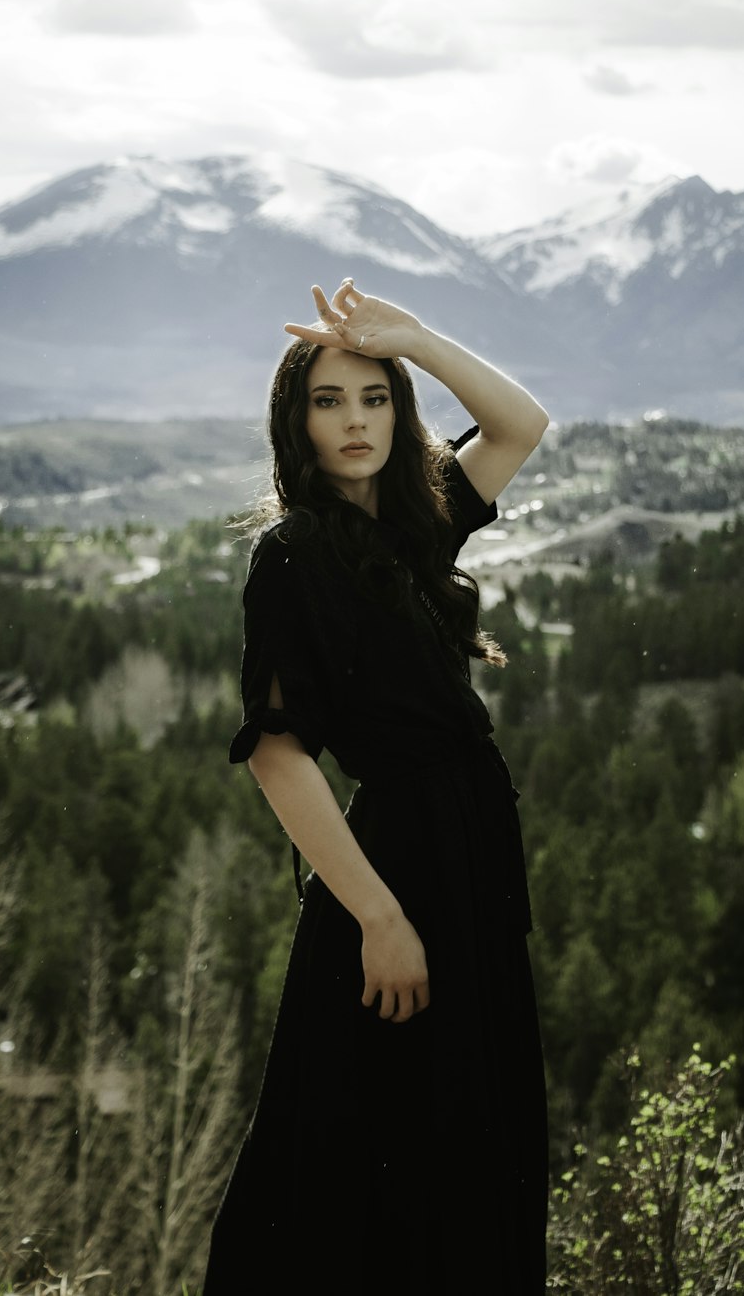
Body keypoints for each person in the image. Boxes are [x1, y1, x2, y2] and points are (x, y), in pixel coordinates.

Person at [202, 279, 549, 1294]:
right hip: (394, 866)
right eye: (327, 401)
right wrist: (379, 918)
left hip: (470, 856)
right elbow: (277, 753)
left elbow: (520, 423)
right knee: (364, 1155)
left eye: (374, 398)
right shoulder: (292, 554)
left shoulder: (415, 521)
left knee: (465, 1138)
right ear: (293, 424)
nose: (354, 421)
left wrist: (414, 340)